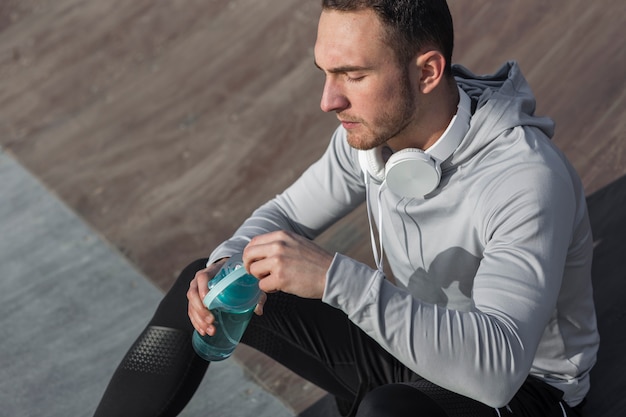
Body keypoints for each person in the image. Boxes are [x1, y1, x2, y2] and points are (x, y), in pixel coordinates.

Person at [94, 0, 599, 416]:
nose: (328, 100)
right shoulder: (370, 136)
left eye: (352, 75)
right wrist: (227, 262)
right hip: (408, 344)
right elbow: (285, 214)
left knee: (388, 410)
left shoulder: (525, 179)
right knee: (210, 278)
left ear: (427, 72)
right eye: (326, 73)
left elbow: (498, 368)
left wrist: (335, 279)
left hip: (521, 391)